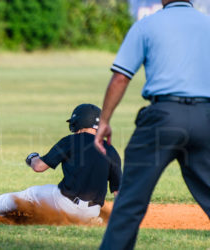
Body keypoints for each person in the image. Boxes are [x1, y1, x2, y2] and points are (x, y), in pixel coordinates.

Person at [95, 0, 210, 249]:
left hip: (162, 118)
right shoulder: (208, 23)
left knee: (130, 202)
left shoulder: (146, 25)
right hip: (206, 117)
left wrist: (104, 121)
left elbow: (120, 78)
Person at [0, 104, 122, 223]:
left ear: (79, 122)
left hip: (65, 203)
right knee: (59, 201)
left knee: (30, 194)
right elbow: (118, 192)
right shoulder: (111, 150)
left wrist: (32, 158)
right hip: (92, 211)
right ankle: (86, 220)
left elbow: (39, 167)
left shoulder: (71, 140)